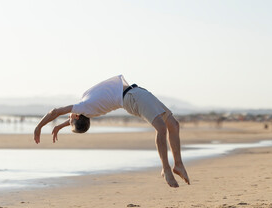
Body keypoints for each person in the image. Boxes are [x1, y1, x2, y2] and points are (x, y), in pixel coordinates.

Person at [34, 75, 190, 188]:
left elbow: (71, 119)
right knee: (161, 128)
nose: (69, 118)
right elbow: (55, 111)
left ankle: (179, 164)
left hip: (137, 93)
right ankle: (166, 169)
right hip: (133, 97)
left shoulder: (87, 109)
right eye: (70, 120)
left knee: (173, 124)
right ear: (75, 116)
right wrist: (39, 127)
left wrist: (58, 127)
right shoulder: (83, 107)